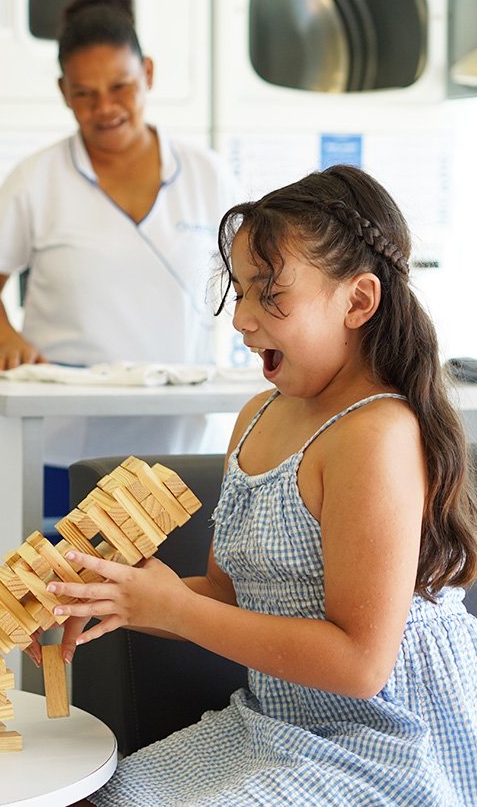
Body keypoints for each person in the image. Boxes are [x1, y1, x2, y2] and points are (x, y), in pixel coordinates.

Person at [42, 165, 477, 805]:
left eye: (270, 295)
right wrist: (111, 596)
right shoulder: (258, 416)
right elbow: (223, 595)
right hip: (273, 726)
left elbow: (360, 665)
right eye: (239, 291)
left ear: (358, 301)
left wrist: (173, 608)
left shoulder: (375, 434)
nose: (242, 319)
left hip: (382, 745)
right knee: (96, 798)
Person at [0, 0, 238, 468]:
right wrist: (9, 342)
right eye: (84, 93)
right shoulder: (38, 177)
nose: (104, 107)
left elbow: (251, 276)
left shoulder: (205, 174)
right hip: (67, 441)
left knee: (179, 543)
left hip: (180, 437)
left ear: (147, 74)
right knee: (67, 545)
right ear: (64, 93)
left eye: (120, 87)